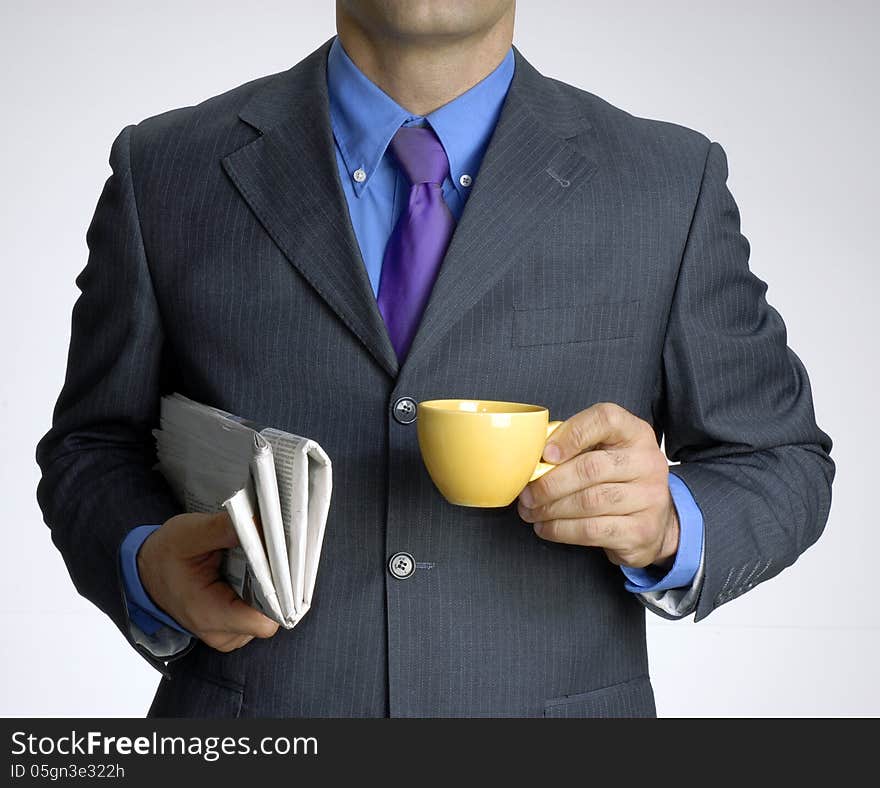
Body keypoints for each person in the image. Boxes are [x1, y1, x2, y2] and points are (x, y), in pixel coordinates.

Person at [35, 1, 834, 718]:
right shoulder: (165, 169)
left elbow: (781, 458)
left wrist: (670, 524)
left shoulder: (665, 184)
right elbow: (91, 446)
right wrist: (144, 564)